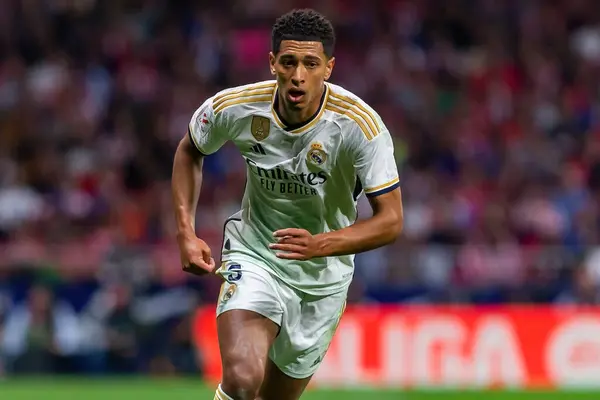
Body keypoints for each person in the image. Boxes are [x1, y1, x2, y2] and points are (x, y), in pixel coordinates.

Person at [171, 8, 403, 400]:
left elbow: (392, 220)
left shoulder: (360, 127)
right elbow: (191, 148)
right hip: (255, 254)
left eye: (310, 64)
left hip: (321, 279)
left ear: (328, 68)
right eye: (289, 62)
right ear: (272, 63)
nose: (298, 75)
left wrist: (321, 244)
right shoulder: (238, 107)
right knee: (243, 380)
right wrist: (185, 231)